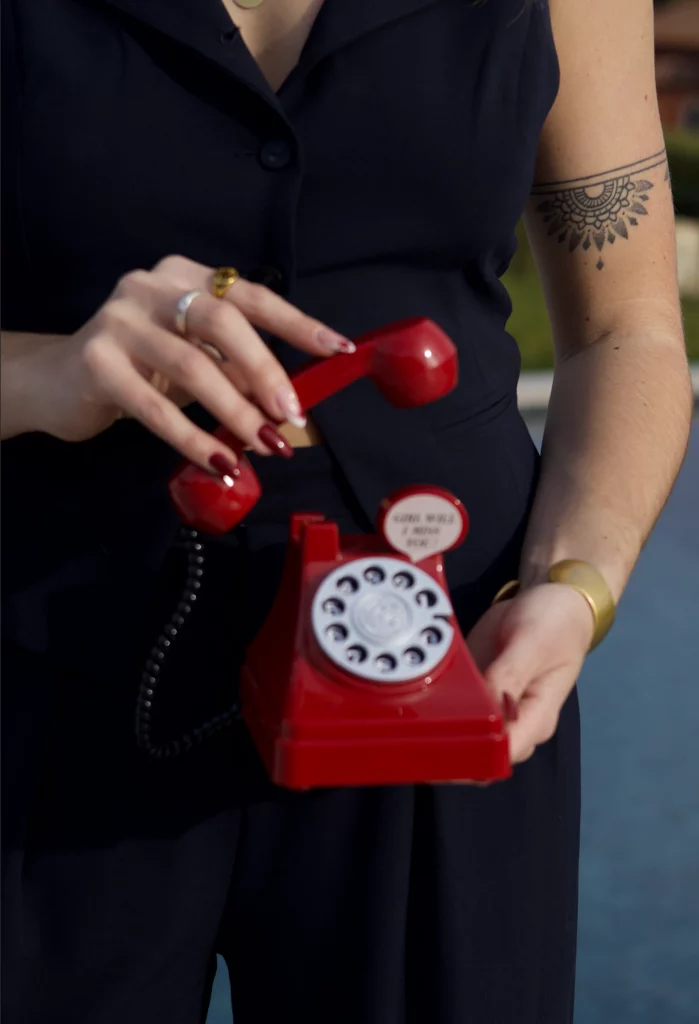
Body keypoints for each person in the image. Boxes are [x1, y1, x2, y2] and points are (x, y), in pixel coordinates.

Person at [1, 0, 692, 1021]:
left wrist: (575, 585)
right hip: (47, 651)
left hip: (453, 661)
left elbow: (625, 333)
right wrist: (44, 372)